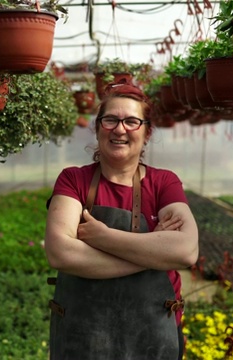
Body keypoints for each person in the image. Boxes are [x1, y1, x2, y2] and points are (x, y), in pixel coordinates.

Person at [44, 81, 199, 360]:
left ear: (147, 132)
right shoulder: (73, 180)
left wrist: (103, 237)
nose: (119, 129)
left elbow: (186, 251)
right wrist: (153, 254)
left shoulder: (164, 182)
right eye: (110, 120)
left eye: (131, 121)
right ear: (97, 127)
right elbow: (60, 253)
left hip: (154, 336)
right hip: (81, 337)